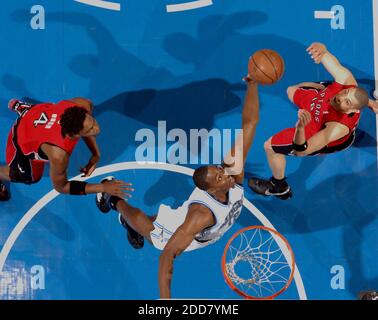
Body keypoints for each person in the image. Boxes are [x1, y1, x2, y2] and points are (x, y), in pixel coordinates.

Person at [95, 74, 260, 298]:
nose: (226, 175)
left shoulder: (232, 172)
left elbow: (249, 123)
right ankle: (114, 201)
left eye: (221, 171)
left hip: (205, 230)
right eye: (220, 177)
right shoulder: (200, 215)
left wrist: (252, 85)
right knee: (150, 231)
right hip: (191, 232)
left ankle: (125, 215)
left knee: (160, 219)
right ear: (210, 189)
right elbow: (168, 256)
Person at [248, 42, 377, 199]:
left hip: (315, 130)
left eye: (347, 102)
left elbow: (303, 149)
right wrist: (321, 49)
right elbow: (326, 55)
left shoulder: (338, 127)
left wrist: (301, 127)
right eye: (346, 93)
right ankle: (368, 103)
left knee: (269, 147)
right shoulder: (347, 80)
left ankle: (278, 186)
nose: (341, 97)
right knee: (291, 90)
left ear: (351, 110)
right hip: (318, 101)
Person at [0, 98, 131, 201]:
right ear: (73, 135)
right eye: (90, 129)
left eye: (93, 122)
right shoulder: (58, 155)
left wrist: (95, 155)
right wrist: (103, 187)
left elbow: (84, 128)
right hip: (20, 139)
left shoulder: (82, 104)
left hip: (38, 115)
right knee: (31, 177)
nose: (96, 128)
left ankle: (23, 108)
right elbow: (61, 187)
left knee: (39, 112)